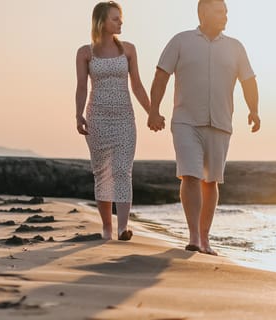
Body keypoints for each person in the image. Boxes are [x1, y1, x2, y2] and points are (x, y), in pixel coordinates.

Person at [148, 0, 260, 255]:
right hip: (186, 120)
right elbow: (161, 76)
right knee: (190, 174)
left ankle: (205, 238)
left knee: (211, 181)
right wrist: (154, 110)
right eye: (220, 11)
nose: (225, 16)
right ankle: (194, 237)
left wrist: (254, 110)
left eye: (226, 12)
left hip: (220, 122)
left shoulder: (235, 47)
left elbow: (249, 81)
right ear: (203, 12)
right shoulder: (181, 41)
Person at [75, 1, 162, 241]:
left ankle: (123, 227)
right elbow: (81, 87)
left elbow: (137, 86)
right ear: (101, 22)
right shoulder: (85, 53)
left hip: (124, 118)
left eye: (120, 18)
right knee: (102, 173)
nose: (120, 22)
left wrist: (152, 112)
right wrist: (78, 114)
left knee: (123, 171)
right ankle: (107, 228)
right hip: (97, 119)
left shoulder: (129, 50)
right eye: (115, 18)